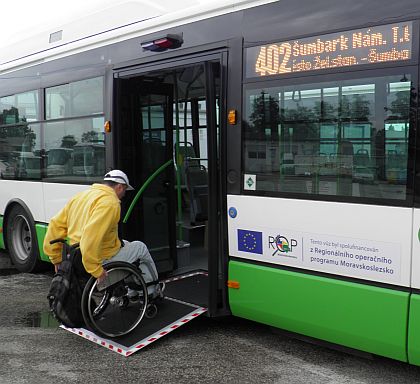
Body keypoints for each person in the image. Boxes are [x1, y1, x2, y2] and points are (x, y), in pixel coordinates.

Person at [43, 170, 160, 296]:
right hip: (95, 257)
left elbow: (56, 224)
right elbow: (90, 237)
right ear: (120, 187)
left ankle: (133, 290)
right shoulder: (110, 203)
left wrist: (55, 258)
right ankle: (151, 290)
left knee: (127, 244)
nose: (124, 195)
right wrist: (96, 269)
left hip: (75, 255)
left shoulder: (81, 196)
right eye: (125, 190)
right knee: (140, 248)